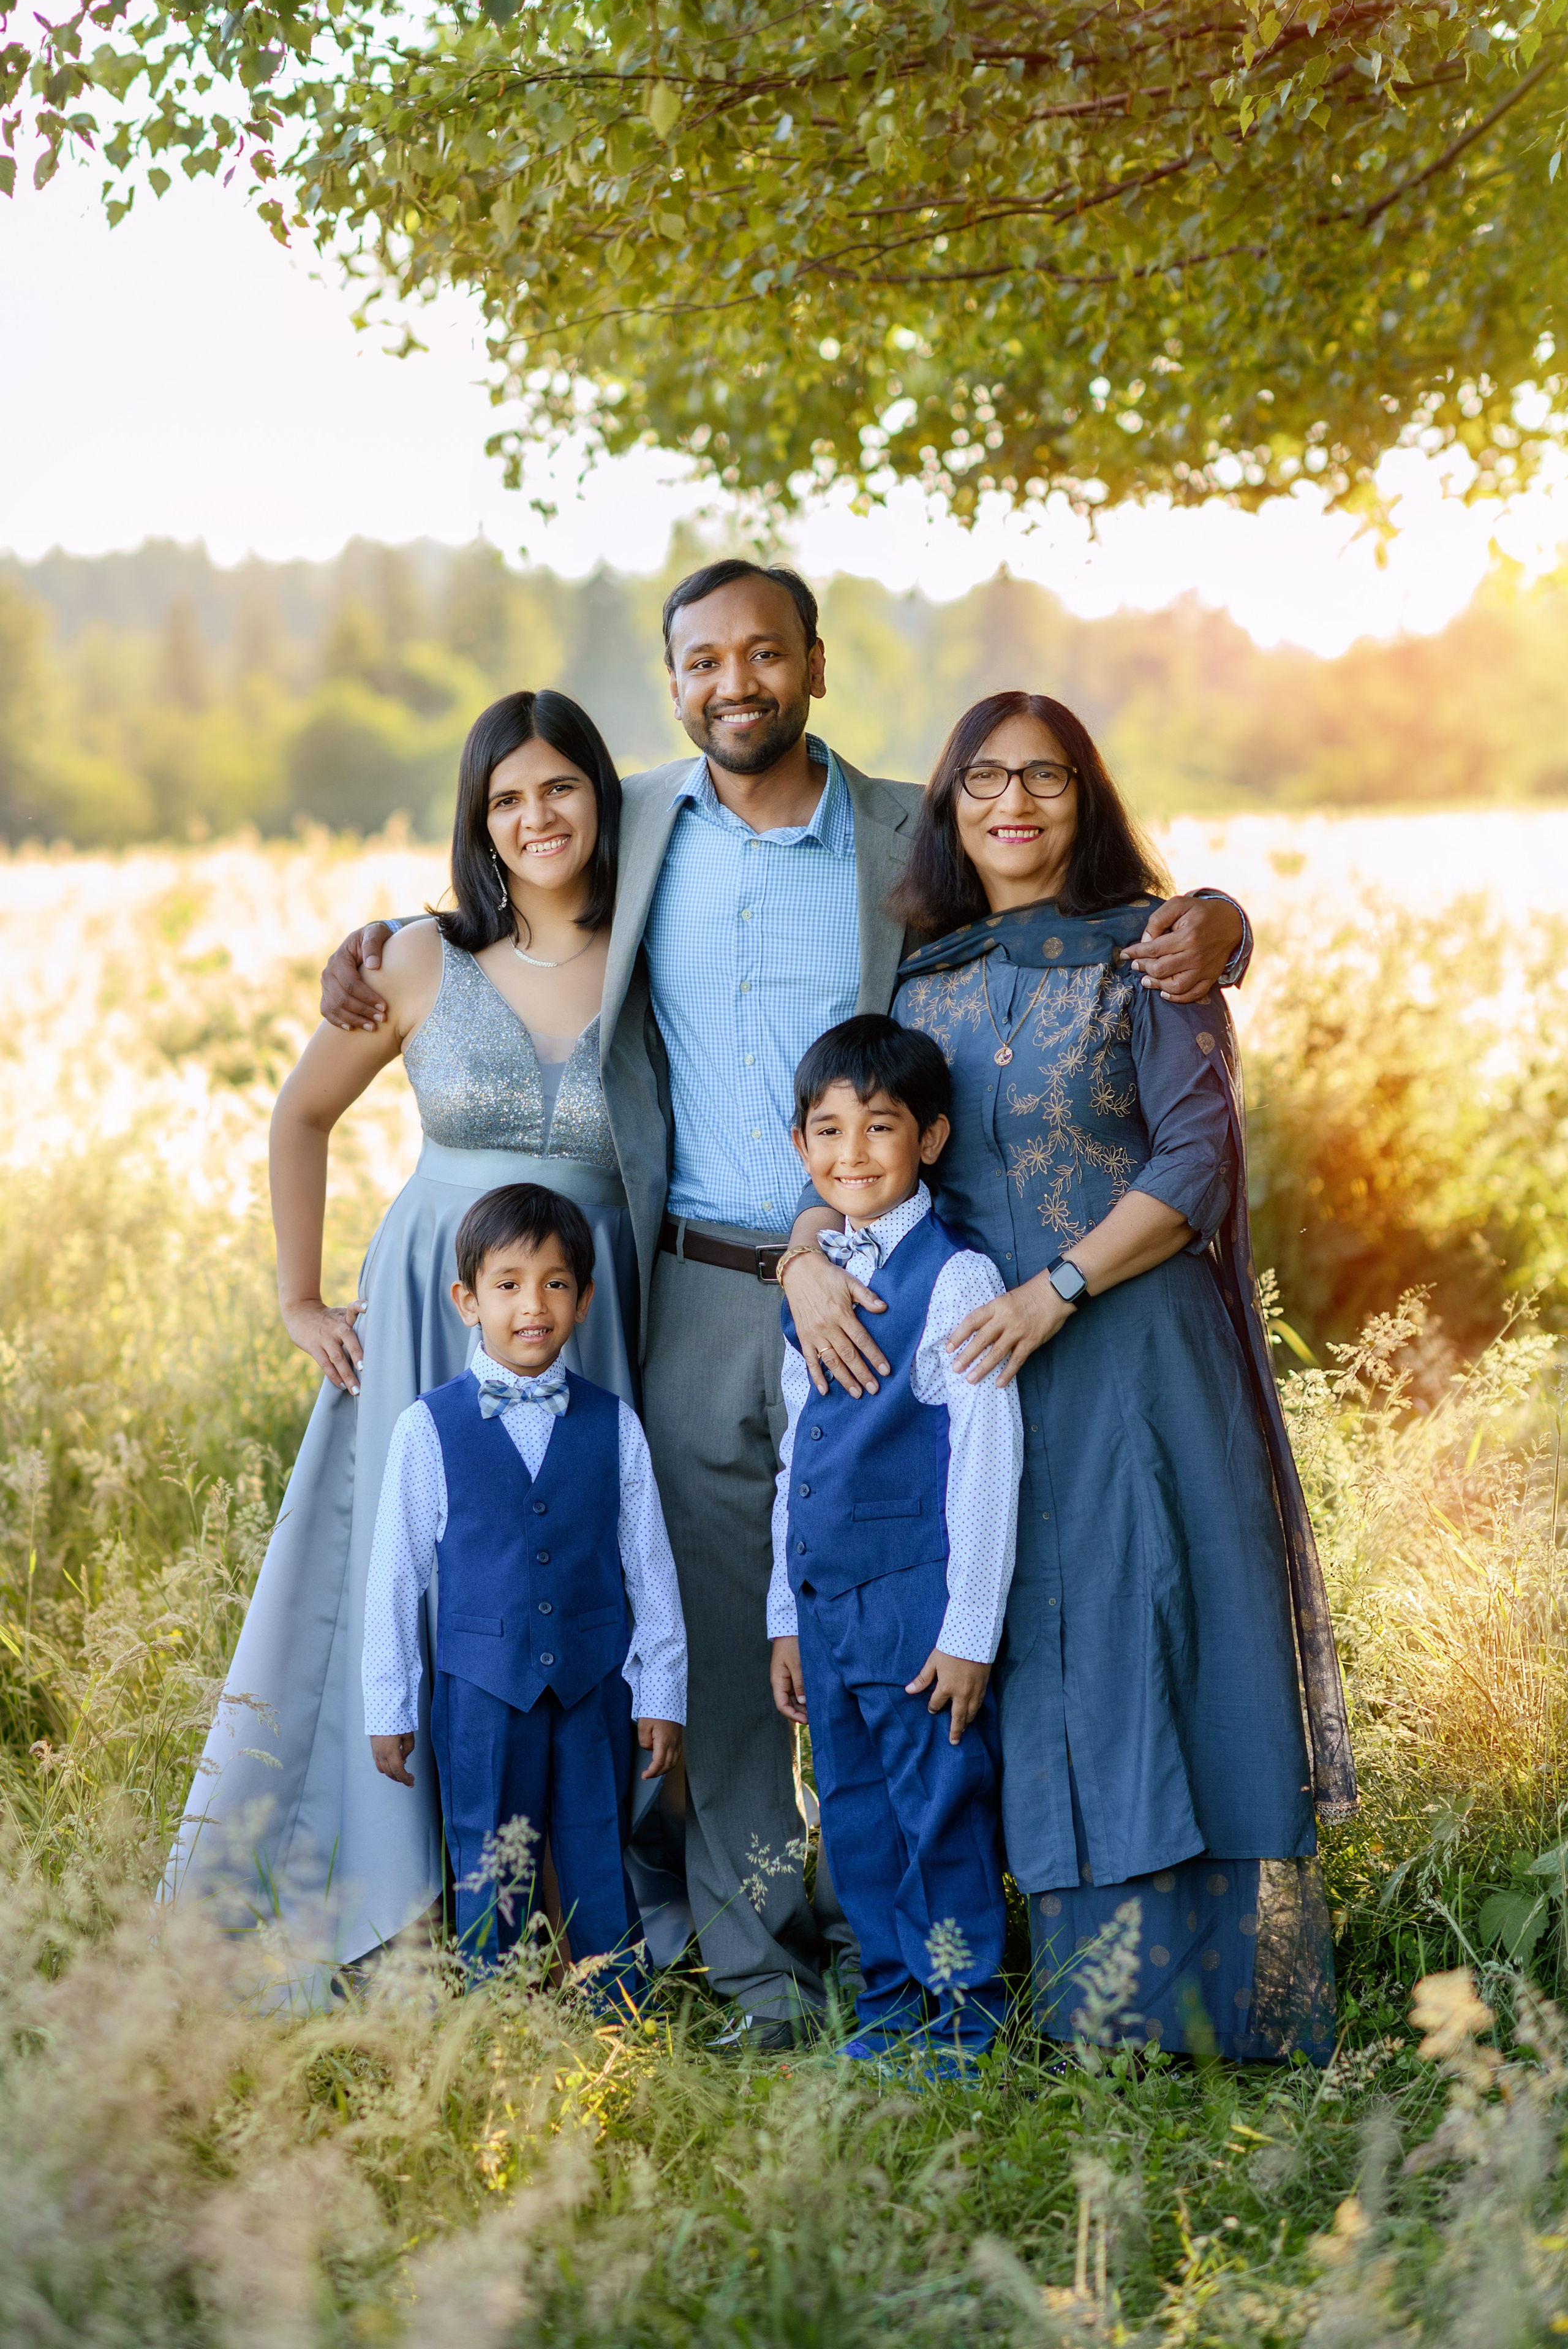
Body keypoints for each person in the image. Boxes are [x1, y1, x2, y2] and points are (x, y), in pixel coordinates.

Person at [319, 560, 1253, 2048]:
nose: (734, 682)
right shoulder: (630, 824)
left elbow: (1074, 899)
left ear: (814, 665)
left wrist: (1221, 917)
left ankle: (940, 1941)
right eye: (703, 661)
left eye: (765, 654)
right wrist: (373, 950)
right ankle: (760, 1964)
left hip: (895, 1297)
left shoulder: (906, 823)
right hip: (698, 1285)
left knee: (929, 1606)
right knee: (724, 1648)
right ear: (672, 679)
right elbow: (514, 862)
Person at [864, 690, 1355, 2061]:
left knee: (1160, 1644)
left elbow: (1193, 1164)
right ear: (949, 808)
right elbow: (872, 1146)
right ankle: (1076, 2002)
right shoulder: (918, 977)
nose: (1012, 804)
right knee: (1037, 1654)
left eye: (1046, 778)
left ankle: (1192, 2012)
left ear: (1084, 800)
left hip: (1131, 1344)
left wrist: (1061, 1287)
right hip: (984, 1373)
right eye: (982, 780)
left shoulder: (1149, 956)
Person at [164, 688, 676, 1994]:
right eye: (506, 798)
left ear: (599, 801)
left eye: (559, 788)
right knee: (413, 1577)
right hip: (432, 1299)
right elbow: (297, 1120)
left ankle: (584, 1905)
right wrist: (299, 1298)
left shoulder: (650, 945)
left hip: (596, 1293)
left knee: (581, 1575)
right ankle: (401, 1904)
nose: (535, 817)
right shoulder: (408, 960)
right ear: (478, 821)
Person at [767, 1016, 1021, 2069]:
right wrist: (785, 1615)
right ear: (800, 1149)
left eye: (880, 1127)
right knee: (859, 1816)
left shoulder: (955, 1278)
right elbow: (799, 1457)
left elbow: (985, 1461)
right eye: (828, 1131)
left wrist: (969, 1629)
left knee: (938, 1812)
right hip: (829, 1611)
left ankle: (964, 2022)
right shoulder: (813, 1280)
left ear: (932, 1137)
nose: (853, 1154)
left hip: (918, 1610)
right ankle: (886, 2004)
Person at [363, 1183, 685, 1986]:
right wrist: (390, 1706)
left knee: (594, 1849)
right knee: (487, 1859)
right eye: (507, 1285)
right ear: (467, 1301)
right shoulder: (425, 1427)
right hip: (480, 1696)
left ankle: (617, 2019)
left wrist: (661, 1694)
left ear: (583, 1299)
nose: (531, 1306)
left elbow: (650, 1567)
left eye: (555, 1284)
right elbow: (396, 1576)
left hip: (592, 1688)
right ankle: (493, 2021)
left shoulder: (615, 1425)